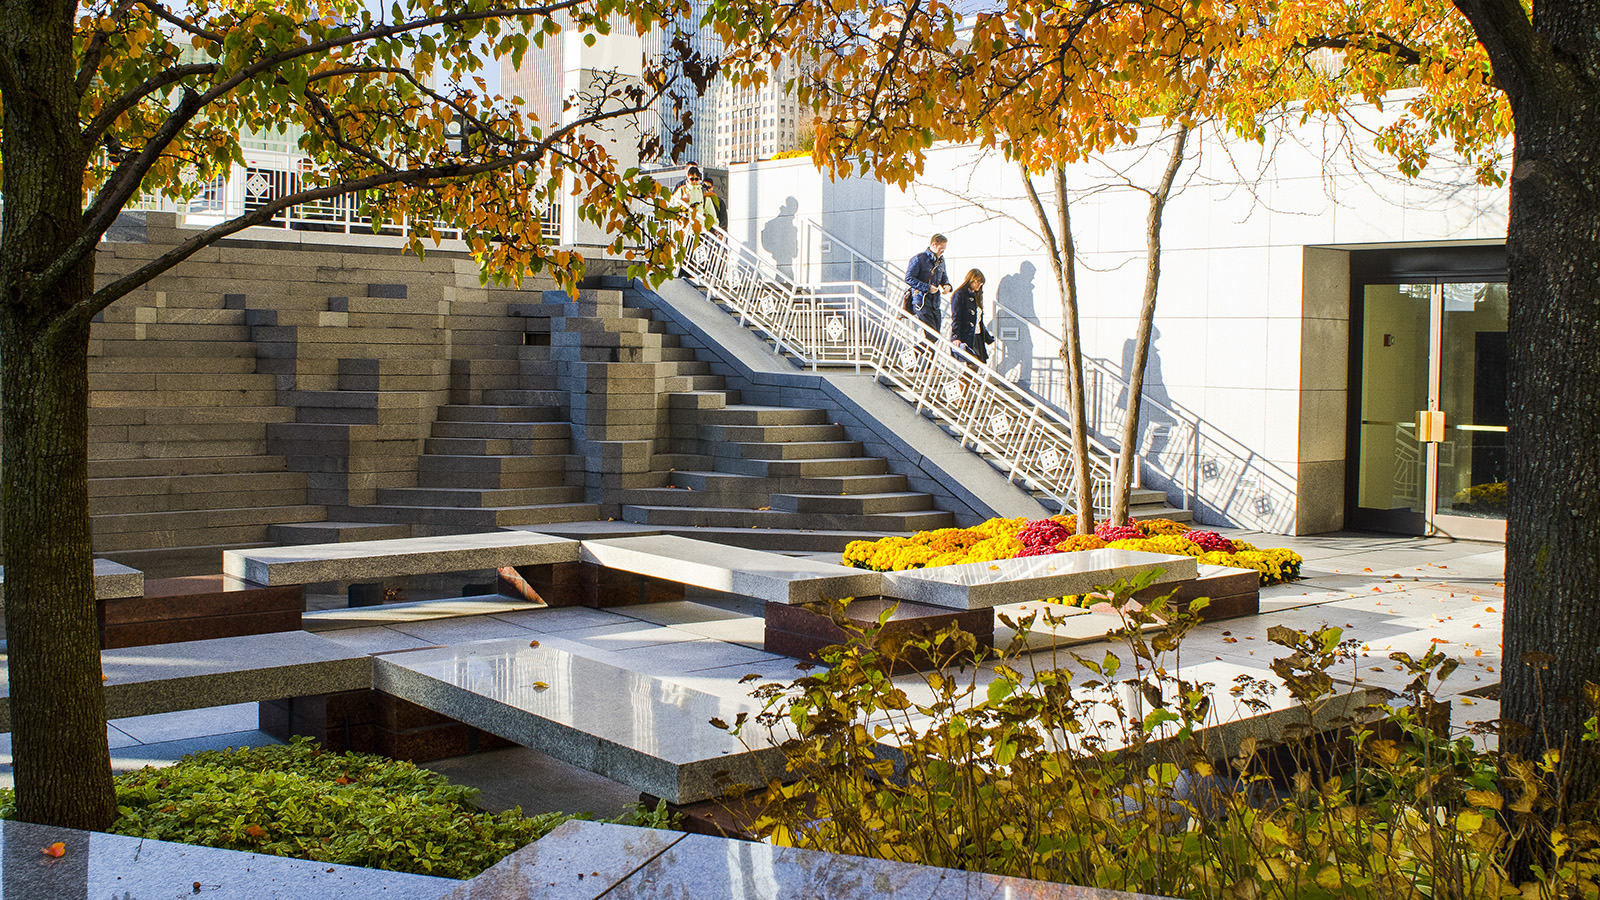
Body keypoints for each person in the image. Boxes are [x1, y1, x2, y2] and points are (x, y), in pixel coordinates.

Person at [904, 233, 952, 336]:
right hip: (921, 300)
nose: (943, 251)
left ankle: (918, 351)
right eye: (941, 248)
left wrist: (947, 285)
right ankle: (916, 351)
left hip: (935, 301)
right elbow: (909, 278)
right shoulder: (919, 259)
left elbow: (943, 275)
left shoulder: (941, 260)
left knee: (936, 335)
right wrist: (927, 287)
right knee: (932, 335)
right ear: (934, 244)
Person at [950, 268, 996, 365]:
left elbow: (978, 321)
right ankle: (963, 380)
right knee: (973, 363)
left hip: (977, 336)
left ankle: (964, 380)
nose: (979, 284)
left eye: (981, 282)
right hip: (967, 335)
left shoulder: (977, 295)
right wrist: (956, 336)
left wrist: (987, 337)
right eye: (977, 282)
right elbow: (956, 316)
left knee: (979, 363)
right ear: (970, 280)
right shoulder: (960, 294)